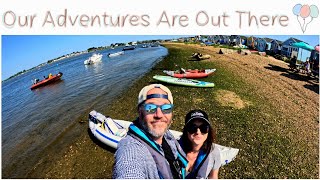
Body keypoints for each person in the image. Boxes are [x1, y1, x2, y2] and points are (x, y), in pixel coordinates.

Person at [113, 84, 188, 179]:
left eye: (166, 108)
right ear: (140, 112)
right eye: (150, 108)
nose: (159, 115)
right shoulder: (131, 150)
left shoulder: (166, 134)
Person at [179, 109, 221, 179]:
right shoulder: (174, 148)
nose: (198, 132)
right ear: (186, 130)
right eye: (193, 128)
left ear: (208, 130)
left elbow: (213, 176)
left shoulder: (214, 152)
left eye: (203, 128)